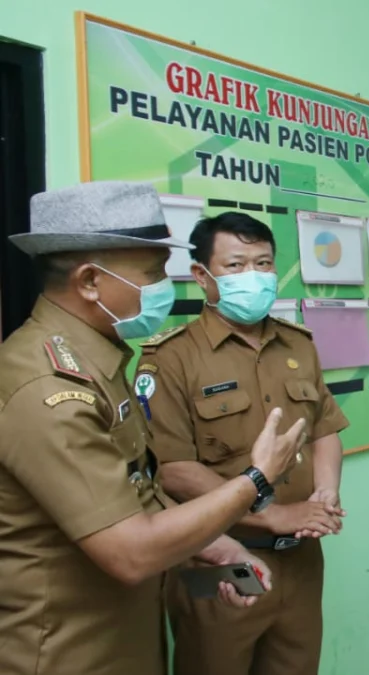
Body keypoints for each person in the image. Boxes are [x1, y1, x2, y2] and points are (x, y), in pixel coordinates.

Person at [0, 181, 306, 675]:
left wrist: (211, 544)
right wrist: (255, 481)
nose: (165, 283)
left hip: (125, 635)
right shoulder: (47, 387)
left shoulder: (99, 363)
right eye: (151, 272)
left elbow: (137, 489)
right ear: (89, 282)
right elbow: (131, 551)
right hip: (67, 653)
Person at [134, 212, 350, 675]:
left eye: (263, 263)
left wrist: (325, 493)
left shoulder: (298, 345)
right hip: (221, 558)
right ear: (202, 276)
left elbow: (325, 429)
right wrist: (272, 514)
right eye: (235, 265)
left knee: (295, 665)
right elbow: (172, 469)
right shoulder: (170, 358)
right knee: (217, 663)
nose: (253, 276)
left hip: (303, 559)